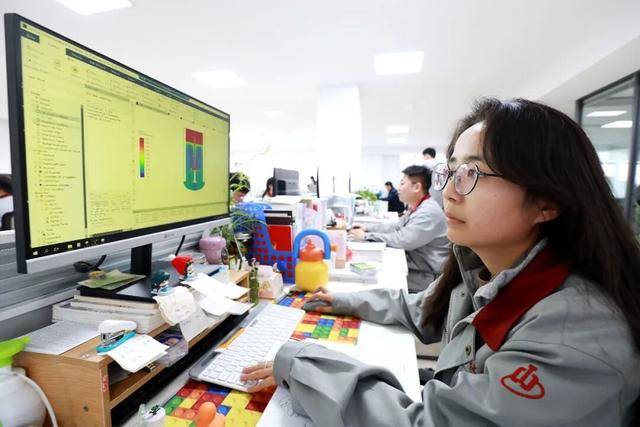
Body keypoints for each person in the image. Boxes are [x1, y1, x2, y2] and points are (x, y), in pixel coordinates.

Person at [240, 98, 640, 426]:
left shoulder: (576, 336)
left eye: (473, 173)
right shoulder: (489, 274)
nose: (448, 191)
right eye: (450, 173)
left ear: (546, 202)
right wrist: (342, 300)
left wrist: (303, 362)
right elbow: (426, 309)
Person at [349, 165, 449, 292]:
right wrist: (367, 228)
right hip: (417, 265)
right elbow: (396, 226)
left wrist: (365, 236)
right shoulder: (419, 206)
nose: (398, 188)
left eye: (402, 183)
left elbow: (402, 240)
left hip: (426, 276)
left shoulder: (428, 212)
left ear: (417, 187)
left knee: (376, 281)